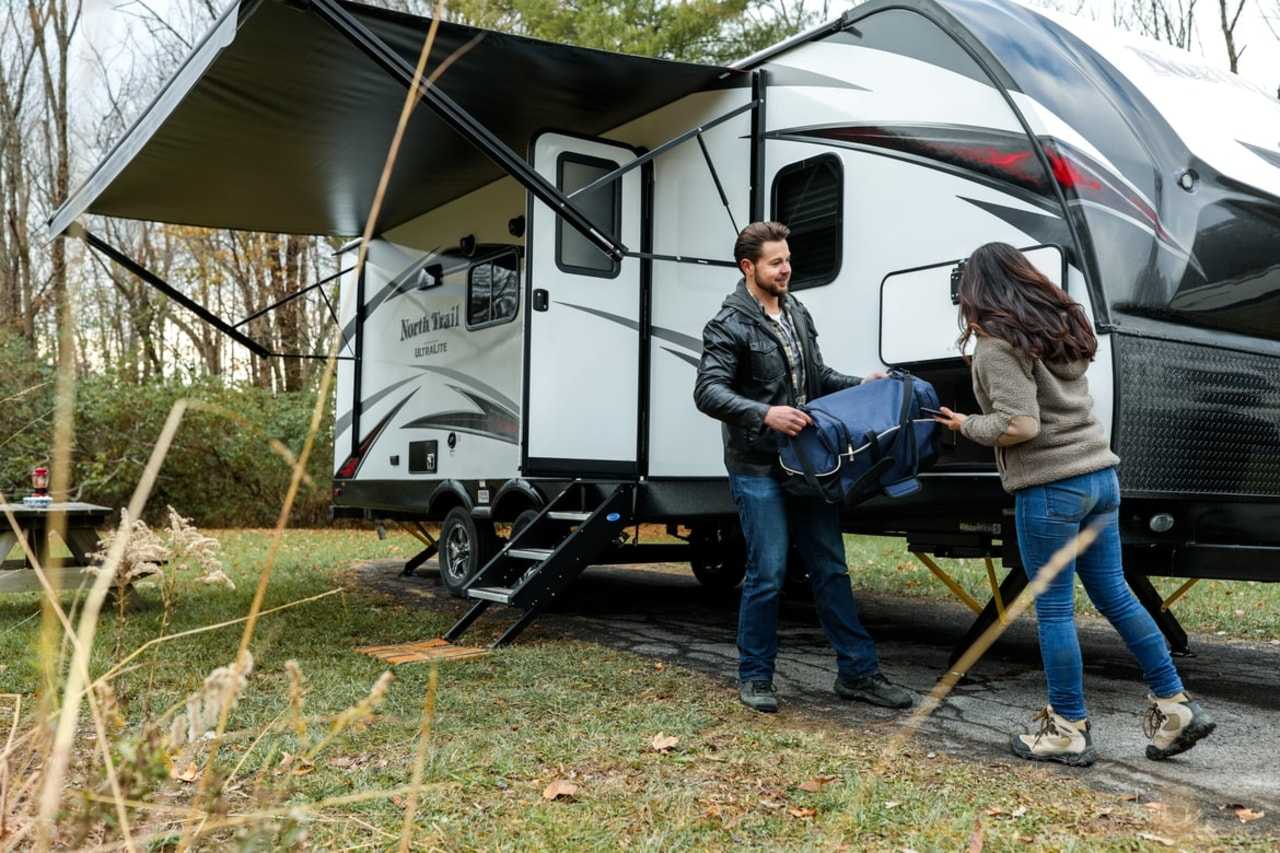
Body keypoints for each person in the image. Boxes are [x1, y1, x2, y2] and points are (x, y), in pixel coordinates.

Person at [933, 242, 1214, 766]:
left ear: (976, 290)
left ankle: (1066, 726)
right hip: (1099, 477)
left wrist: (965, 424)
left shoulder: (999, 344)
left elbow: (1020, 425)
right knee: (1117, 596)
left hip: (1051, 487)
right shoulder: (1060, 329)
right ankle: (1174, 705)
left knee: (1056, 610)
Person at [693, 221, 913, 714]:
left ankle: (857, 674)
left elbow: (818, 377)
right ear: (748, 267)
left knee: (830, 567)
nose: (787, 268)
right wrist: (764, 413)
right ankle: (755, 677)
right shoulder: (728, 324)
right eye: (776, 261)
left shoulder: (796, 312)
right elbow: (708, 391)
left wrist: (865, 384)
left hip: (808, 466)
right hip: (757, 466)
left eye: (787, 259)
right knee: (767, 571)